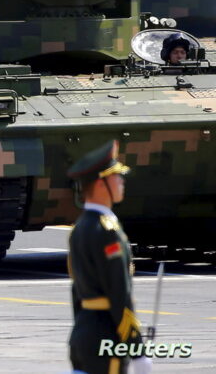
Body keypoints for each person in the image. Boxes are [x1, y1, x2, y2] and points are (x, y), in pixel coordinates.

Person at [66, 141, 152, 374]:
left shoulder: (79, 228)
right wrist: (137, 350)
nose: (122, 181)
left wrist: (82, 331)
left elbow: (76, 291)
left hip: (83, 334)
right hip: (107, 338)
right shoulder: (107, 231)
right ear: (100, 183)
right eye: (116, 176)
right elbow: (119, 293)